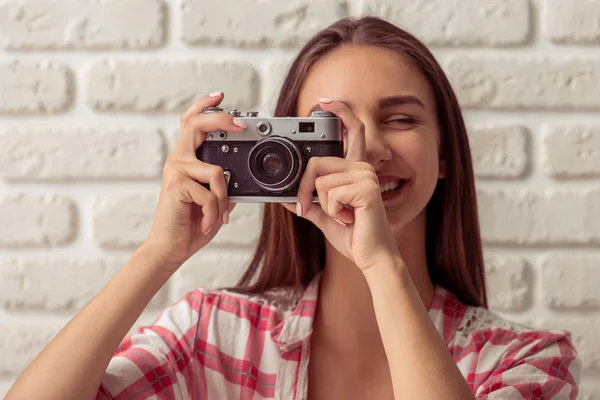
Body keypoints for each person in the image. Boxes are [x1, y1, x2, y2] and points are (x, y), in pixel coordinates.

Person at [5, 16, 580, 400]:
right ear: (278, 149)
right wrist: (159, 253)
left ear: (446, 154)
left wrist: (381, 265)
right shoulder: (214, 333)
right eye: (331, 128)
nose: (366, 150)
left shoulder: (526, 361)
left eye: (400, 119)